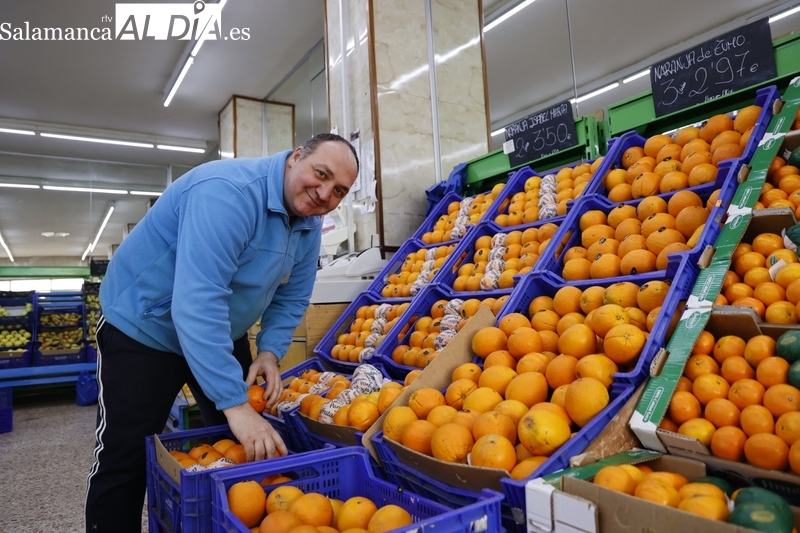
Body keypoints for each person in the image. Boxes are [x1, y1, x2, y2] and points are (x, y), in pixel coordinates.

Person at [85, 133, 359, 532]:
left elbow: (292, 297)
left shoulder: (307, 222)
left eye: (339, 190)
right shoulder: (227, 194)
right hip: (144, 328)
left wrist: (268, 352)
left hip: (218, 329)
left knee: (246, 448)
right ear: (295, 157)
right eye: (321, 174)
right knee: (124, 458)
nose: (324, 193)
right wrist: (234, 403)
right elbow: (196, 302)